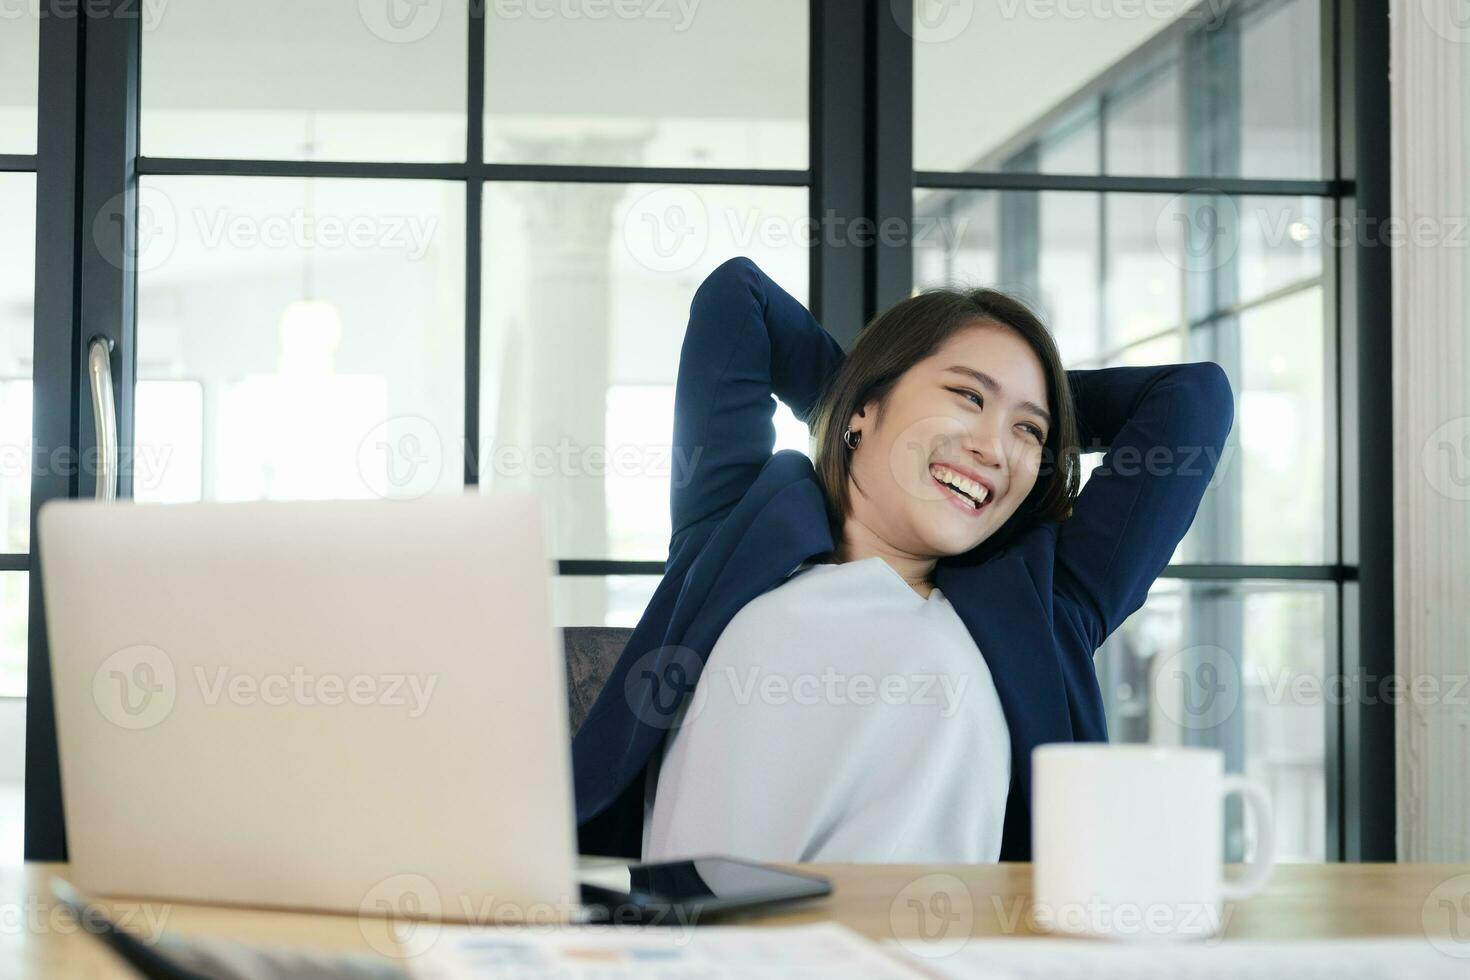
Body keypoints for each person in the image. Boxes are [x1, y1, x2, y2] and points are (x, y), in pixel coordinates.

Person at [571, 256, 1235, 863]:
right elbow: (737, 297)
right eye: (967, 396)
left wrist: (1013, 406)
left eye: (1028, 431)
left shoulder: (1047, 602)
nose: (993, 447)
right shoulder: (734, 529)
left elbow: (1193, 397)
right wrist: (861, 398)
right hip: (701, 951)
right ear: (864, 405)